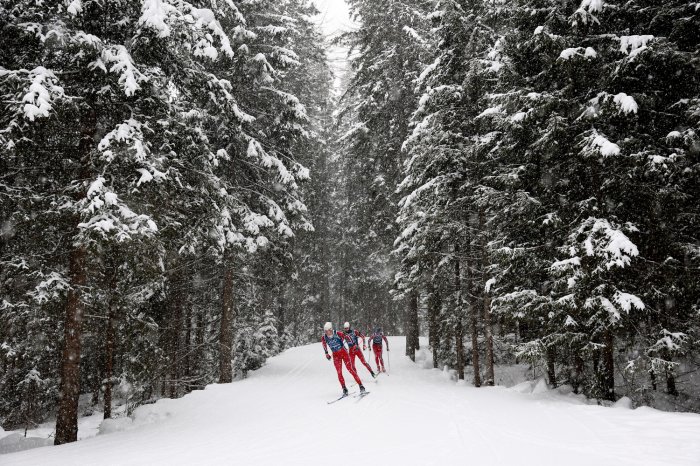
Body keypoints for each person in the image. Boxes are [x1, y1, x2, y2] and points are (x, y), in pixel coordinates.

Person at [321, 322, 365, 396]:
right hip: (336, 355)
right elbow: (324, 344)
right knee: (339, 372)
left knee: (350, 369)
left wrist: (354, 345)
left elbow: (347, 337)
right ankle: (344, 389)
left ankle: (361, 386)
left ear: (331, 329)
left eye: (327, 331)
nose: (326, 332)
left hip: (343, 353)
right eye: (325, 331)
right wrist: (326, 353)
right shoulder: (324, 337)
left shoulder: (337, 333)